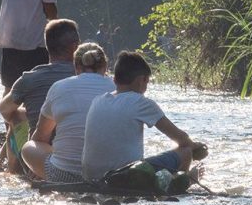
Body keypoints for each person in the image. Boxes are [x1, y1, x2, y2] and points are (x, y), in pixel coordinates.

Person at [81, 50, 207, 183]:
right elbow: (182, 139)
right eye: (147, 83)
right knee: (185, 151)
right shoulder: (140, 102)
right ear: (142, 80)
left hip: (91, 177)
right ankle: (185, 182)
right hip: (124, 177)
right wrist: (195, 147)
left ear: (114, 79)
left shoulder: (98, 100)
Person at [20, 41, 113, 182]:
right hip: (109, 176)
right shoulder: (118, 88)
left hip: (64, 175)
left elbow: (41, 137)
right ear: (105, 66)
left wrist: (37, 167)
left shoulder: (59, 87)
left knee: (28, 147)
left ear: (75, 67)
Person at [0, 18, 78, 173]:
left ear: (47, 47)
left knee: (17, 116)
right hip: (83, 156)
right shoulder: (91, 77)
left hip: (42, 159)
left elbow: (4, 110)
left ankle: (11, 172)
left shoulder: (30, 78)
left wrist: (28, 116)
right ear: (75, 47)